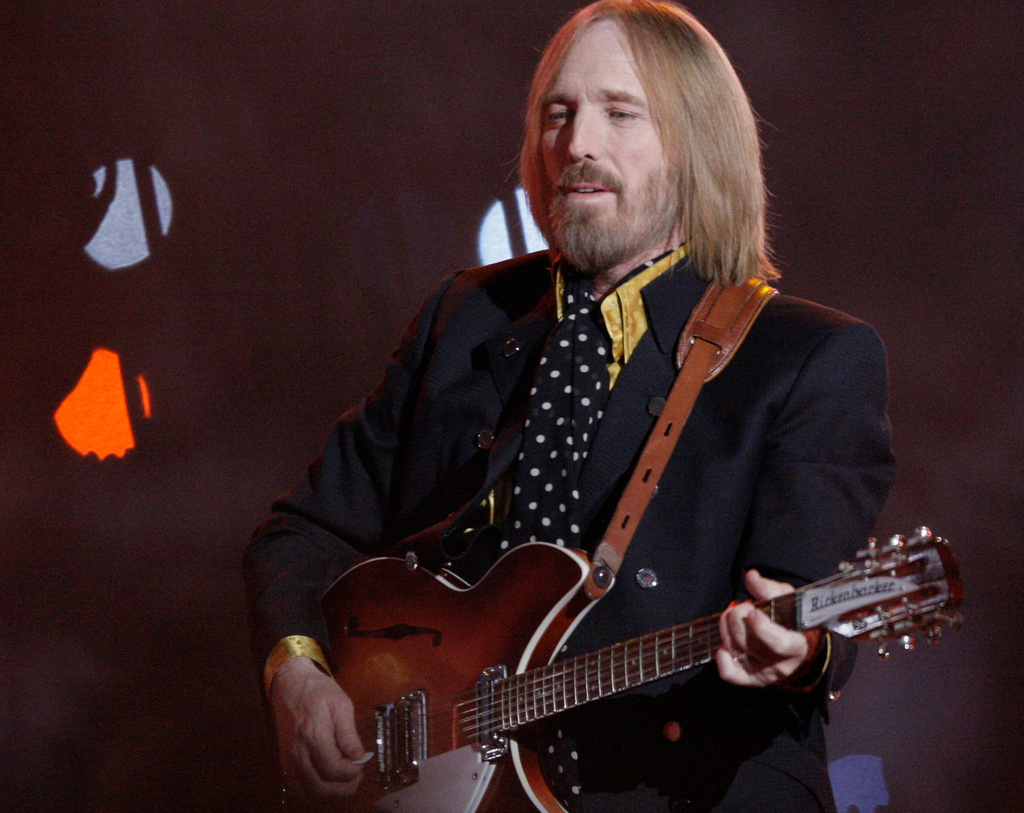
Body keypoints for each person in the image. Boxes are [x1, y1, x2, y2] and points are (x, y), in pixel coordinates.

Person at [244, 1, 895, 811]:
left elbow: (804, 608)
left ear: (698, 145)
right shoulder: (464, 317)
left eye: (620, 112)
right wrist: (297, 672)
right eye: (559, 113)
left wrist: (796, 649)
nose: (576, 142)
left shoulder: (803, 358)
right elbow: (302, 531)